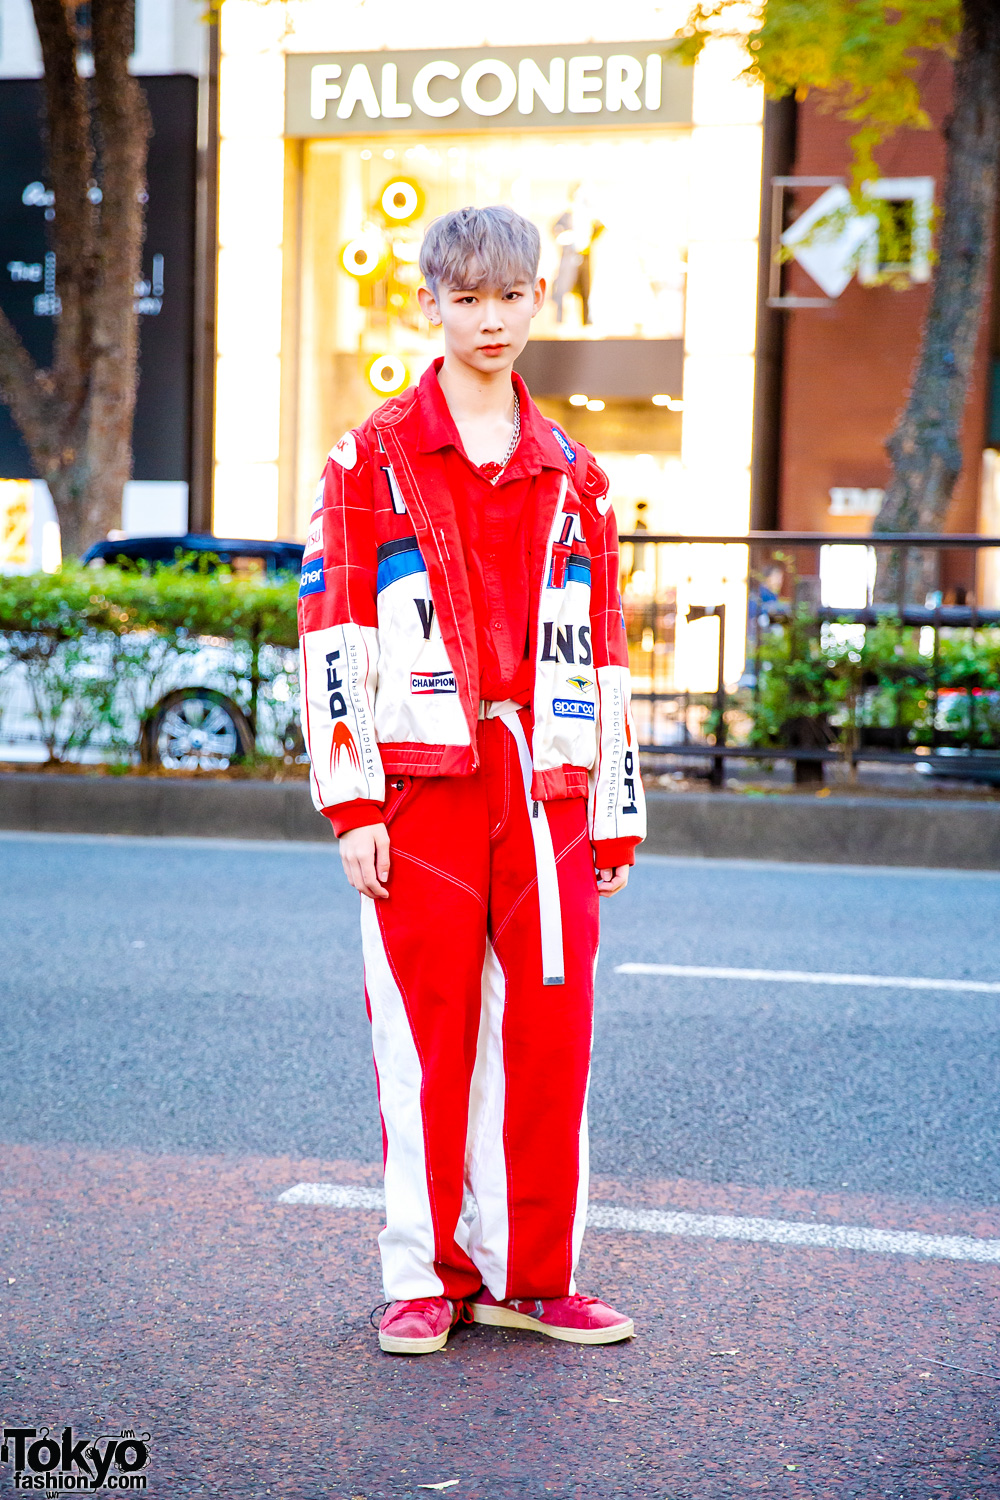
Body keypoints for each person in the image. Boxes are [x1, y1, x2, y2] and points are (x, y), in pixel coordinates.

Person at [297, 205, 646, 1357]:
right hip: (423, 792)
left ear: (539, 301)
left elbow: (603, 647)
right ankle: (425, 1276)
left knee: (552, 1040)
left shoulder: (575, 476)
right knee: (425, 1039)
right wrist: (351, 805)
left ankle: (534, 1277)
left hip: (544, 791)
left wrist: (611, 808)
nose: (490, 320)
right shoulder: (371, 459)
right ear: (427, 304)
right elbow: (333, 633)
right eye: (468, 298)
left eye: (512, 296)